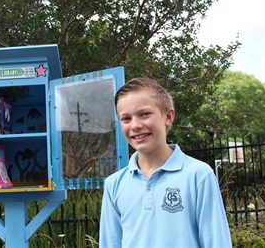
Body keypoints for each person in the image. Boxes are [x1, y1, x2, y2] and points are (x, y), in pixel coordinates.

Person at [99, 77, 232, 247]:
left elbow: (217, 242)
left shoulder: (199, 175)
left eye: (144, 114)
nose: (135, 125)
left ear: (168, 116)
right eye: (126, 118)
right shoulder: (114, 185)